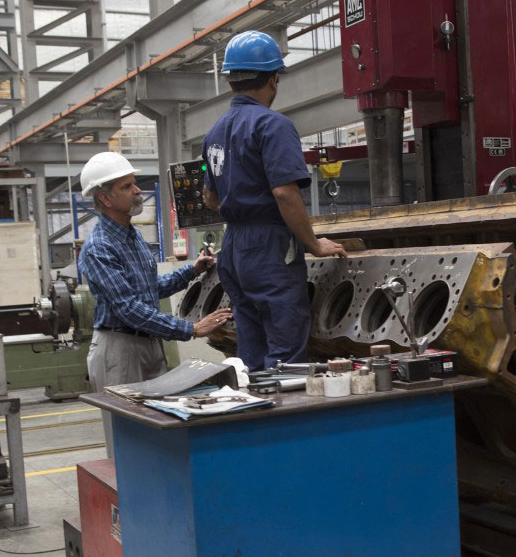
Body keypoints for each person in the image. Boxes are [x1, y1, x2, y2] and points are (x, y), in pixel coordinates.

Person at [201, 30, 347, 372]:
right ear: (273, 80)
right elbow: (285, 192)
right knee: (285, 355)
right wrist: (313, 244)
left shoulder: (214, 132)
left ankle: (256, 415)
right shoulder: (272, 125)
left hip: (234, 249)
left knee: (251, 350)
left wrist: (240, 210)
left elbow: (209, 197)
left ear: (231, 81)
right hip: (269, 248)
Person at [78, 151, 232, 455]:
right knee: (127, 442)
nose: (137, 191)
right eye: (126, 187)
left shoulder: (132, 237)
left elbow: (149, 289)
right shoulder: (98, 248)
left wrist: (192, 270)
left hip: (149, 345)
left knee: (160, 428)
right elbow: (128, 308)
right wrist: (190, 329)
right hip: (119, 350)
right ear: (105, 199)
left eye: (134, 184)